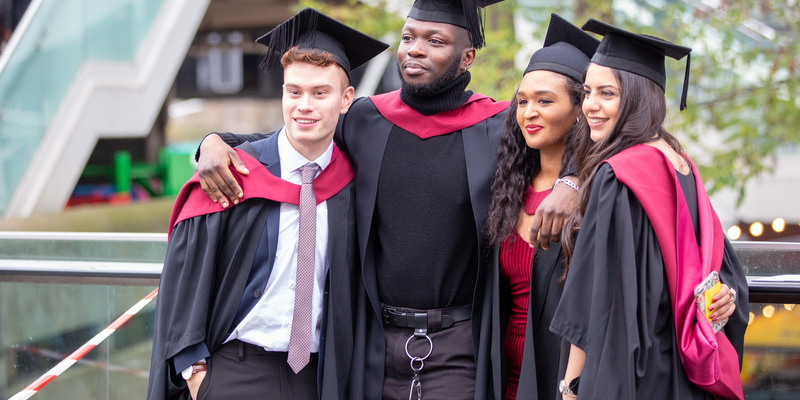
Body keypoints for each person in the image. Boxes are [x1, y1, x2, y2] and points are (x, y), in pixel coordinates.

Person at [193, 2, 584, 399]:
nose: (415, 49)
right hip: (372, 341)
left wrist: (572, 182)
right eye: (408, 37)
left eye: (435, 41)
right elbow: (287, 142)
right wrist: (213, 143)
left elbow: (573, 144)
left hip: (460, 346)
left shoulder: (498, 125)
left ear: (467, 57)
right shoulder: (365, 119)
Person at [146, 9, 387, 400]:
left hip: (319, 377)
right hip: (234, 372)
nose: (303, 106)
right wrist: (195, 372)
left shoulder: (352, 185)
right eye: (294, 92)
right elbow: (183, 278)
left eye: (319, 93)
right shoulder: (235, 174)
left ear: (345, 100)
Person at [550, 19, 749, 400]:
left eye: (607, 94)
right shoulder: (681, 165)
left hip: (636, 376)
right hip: (686, 374)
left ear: (638, 98)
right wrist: (726, 296)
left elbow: (597, 300)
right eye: (587, 91)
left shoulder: (619, 175)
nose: (591, 105)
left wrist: (570, 388)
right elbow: (723, 269)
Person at [482, 14, 598, 400]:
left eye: (545, 101)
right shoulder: (506, 189)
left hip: (564, 380)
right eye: (522, 101)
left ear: (581, 108)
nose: (528, 112)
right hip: (505, 376)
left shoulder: (599, 190)